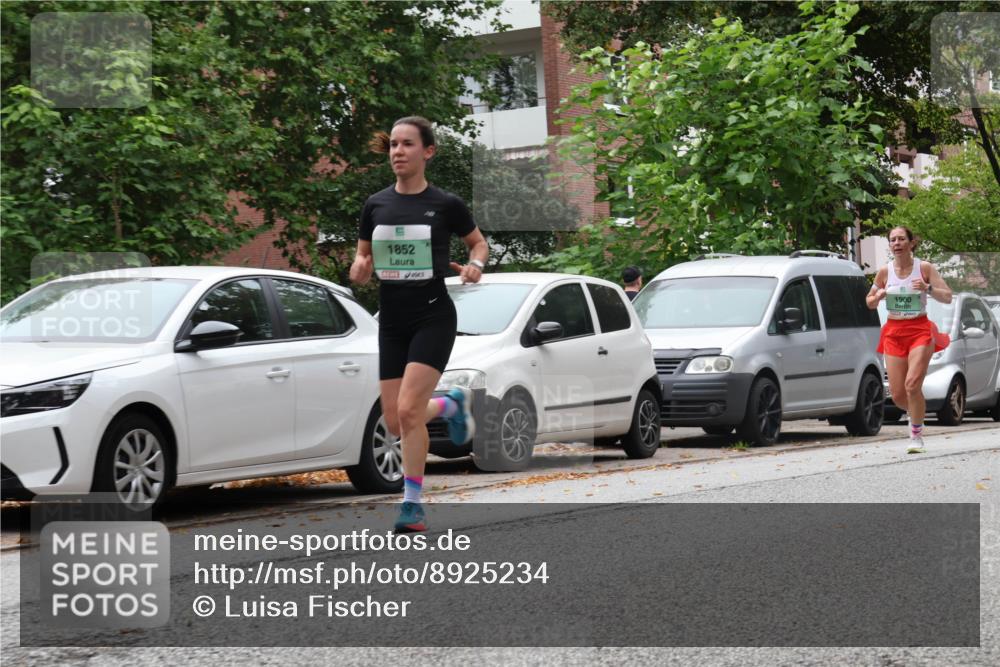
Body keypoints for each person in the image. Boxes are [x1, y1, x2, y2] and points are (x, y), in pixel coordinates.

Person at [350, 116, 488, 532]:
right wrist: (359, 267)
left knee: (409, 411)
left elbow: (478, 243)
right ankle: (451, 404)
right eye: (393, 144)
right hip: (391, 321)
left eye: (407, 144)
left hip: (433, 315)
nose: (397, 152)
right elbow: (363, 257)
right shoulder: (375, 204)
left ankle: (412, 505)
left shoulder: (446, 204)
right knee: (394, 422)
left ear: (427, 151)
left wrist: (476, 265)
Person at [866, 226, 952, 454]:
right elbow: (869, 302)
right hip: (894, 332)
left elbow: (948, 296)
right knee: (897, 394)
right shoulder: (884, 272)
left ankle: (916, 435)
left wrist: (928, 288)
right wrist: (878, 295)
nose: (897, 243)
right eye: (893, 240)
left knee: (912, 384)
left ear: (911, 243)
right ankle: (917, 412)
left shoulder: (924, 268)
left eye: (901, 239)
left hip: (919, 330)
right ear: (890, 245)